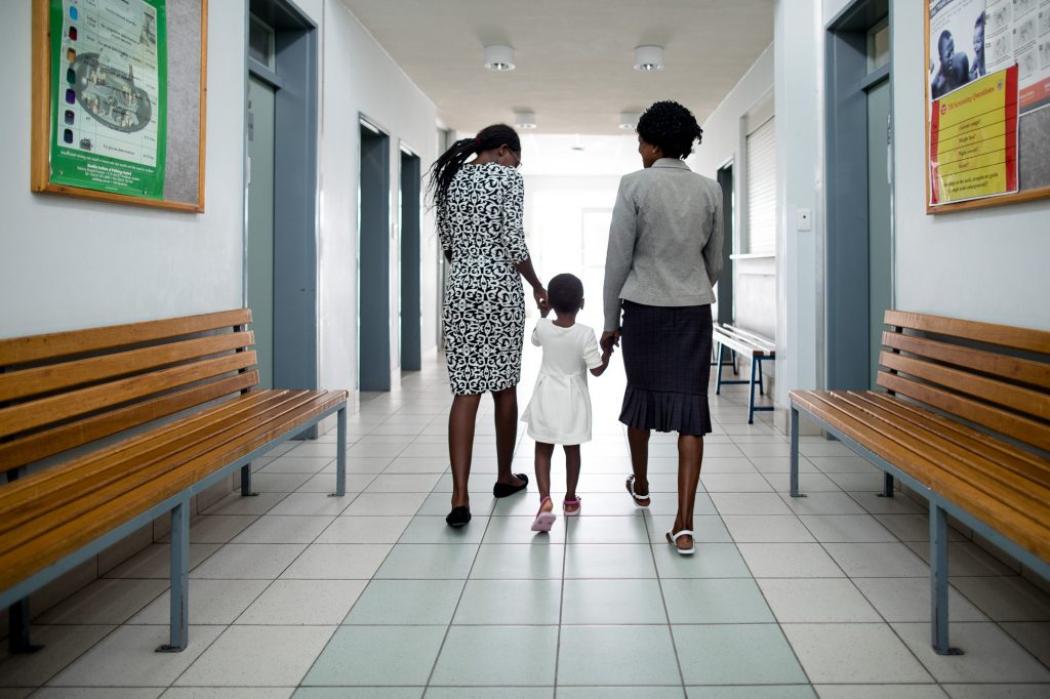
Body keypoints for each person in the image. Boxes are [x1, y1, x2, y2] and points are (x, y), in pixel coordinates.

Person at [602, 100, 723, 556]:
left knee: (641, 401)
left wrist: (611, 322)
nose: (639, 151)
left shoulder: (634, 186)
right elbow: (714, 262)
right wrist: (689, 286)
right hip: (693, 313)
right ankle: (685, 525)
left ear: (652, 144)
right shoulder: (710, 190)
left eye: (640, 143)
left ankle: (643, 484)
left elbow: (618, 258)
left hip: (645, 311)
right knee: (691, 411)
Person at [428, 124, 548, 528]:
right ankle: (503, 476)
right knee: (504, 386)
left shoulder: (452, 180)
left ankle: (459, 496)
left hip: (460, 289)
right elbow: (514, 241)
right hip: (500, 290)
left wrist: (468, 268)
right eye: (517, 157)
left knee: (465, 391)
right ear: (502, 151)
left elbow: (447, 243)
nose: (517, 164)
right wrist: (537, 285)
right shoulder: (508, 177)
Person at [520, 273, 610, 532]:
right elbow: (596, 370)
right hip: (573, 402)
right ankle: (570, 500)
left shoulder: (544, 327)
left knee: (542, 448)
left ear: (550, 302)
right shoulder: (585, 334)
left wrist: (542, 313)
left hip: (546, 396)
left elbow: (535, 339)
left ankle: (545, 498)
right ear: (582, 303)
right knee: (572, 449)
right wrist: (606, 352)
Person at [932, 30, 970, 98]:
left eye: (953, 51)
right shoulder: (936, 86)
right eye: (948, 55)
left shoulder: (960, 63)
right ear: (941, 59)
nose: (952, 57)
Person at [970, 12, 986, 81]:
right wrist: (971, 76)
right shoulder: (977, 59)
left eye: (978, 41)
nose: (975, 47)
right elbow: (971, 72)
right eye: (974, 42)